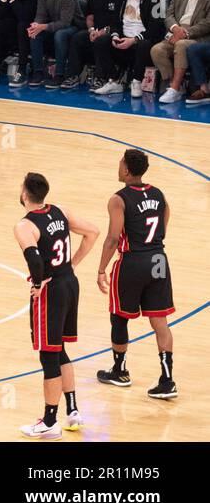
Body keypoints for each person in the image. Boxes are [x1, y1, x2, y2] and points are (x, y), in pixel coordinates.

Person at [13, 171, 99, 439]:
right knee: (59, 348)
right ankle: (72, 410)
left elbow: (36, 263)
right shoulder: (59, 211)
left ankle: (50, 420)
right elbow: (93, 232)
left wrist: (37, 285)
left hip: (50, 290)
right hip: (70, 283)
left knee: (48, 354)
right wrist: (72, 264)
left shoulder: (25, 225)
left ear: (25, 194)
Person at [94, 148, 177, 399]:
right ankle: (167, 380)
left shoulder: (119, 199)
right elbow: (165, 220)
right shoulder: (159, 194)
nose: (118, 167)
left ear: (127, 170)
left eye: (120, 163)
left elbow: (112, 238)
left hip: (132, 261)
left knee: (119, 317)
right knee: (160, 322)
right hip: (158, 259)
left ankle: (119, 371)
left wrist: (101, 269)